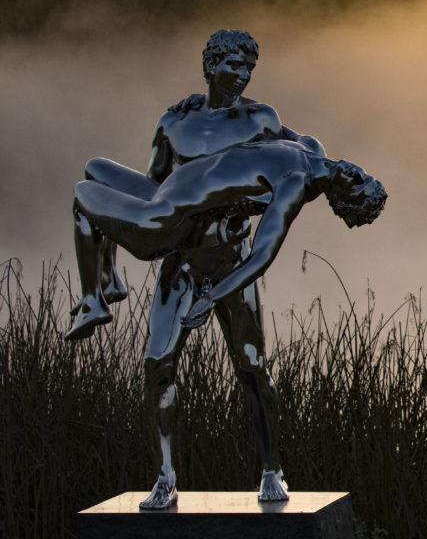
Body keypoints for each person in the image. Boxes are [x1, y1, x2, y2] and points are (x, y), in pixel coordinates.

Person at [65, 29, 327, 509]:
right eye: (233, 64)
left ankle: (272, 470)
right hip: (179, 263)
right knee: (157, 366)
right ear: (210, 66)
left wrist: (246, 202)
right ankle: (165, 477)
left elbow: (305, 158)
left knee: (252, 368)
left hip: (228, 262)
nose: (243, 75)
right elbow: (153, 189)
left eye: (249, 67)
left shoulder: (261, 119)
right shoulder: (173, 123)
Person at [71, 140, 386, 503]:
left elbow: (261, 256)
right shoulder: (309, 146)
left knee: (82, 197)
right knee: (95, 166)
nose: (357, 173)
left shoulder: (295, 183)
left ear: (342, 199)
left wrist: (213, 296)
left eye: (359, 184)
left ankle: (93, 298)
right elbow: (246, 119)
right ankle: (106, 282)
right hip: (169, 209)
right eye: (365, 175)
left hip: (168, 225)